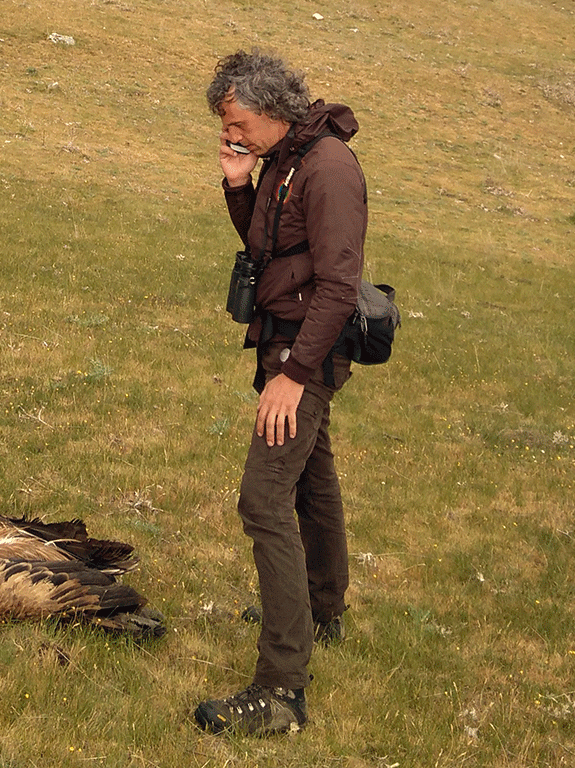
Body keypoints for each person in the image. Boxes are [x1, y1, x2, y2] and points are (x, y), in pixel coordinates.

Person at [194, 49, 366, 737]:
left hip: (307, 355)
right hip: (285, 345)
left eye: (237, 123)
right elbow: (269, 252)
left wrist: (293, 377)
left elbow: (337, 285)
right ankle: (319, 611)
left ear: (269, 107)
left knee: (264, 499)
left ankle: (281, 691)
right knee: (311, 484)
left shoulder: (327, 168)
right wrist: (239, 185)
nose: (231, 134)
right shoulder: (282, 160)